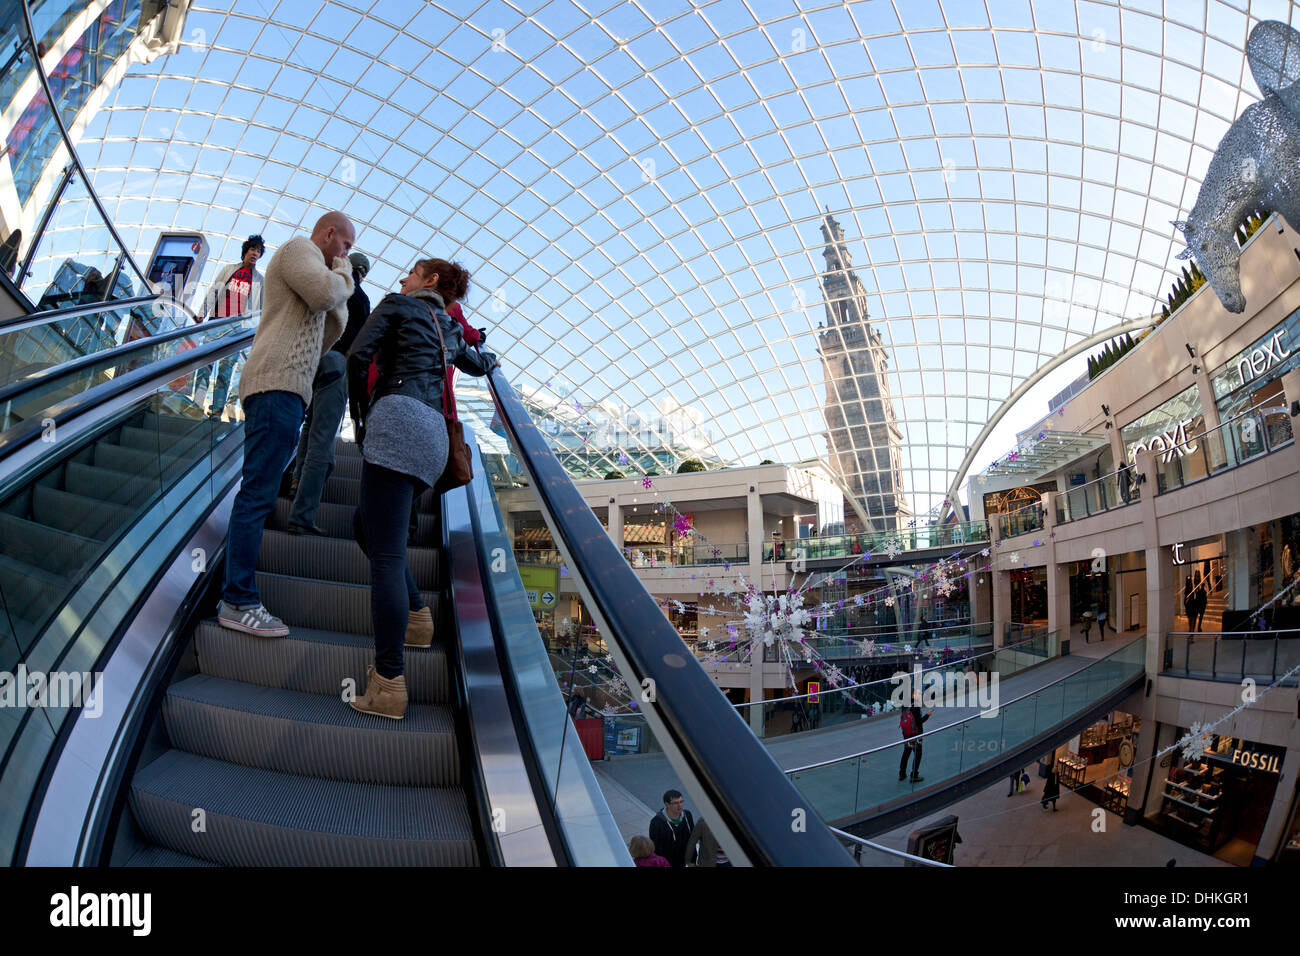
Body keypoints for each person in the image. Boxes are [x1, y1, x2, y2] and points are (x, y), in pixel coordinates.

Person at [344, 258, 495, 718]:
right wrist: (489, 356)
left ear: (429, 281)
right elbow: (478, 362)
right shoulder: (449, 326)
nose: (402, 279)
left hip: (397, 421)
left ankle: (388, 683)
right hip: (434, 437)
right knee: (366, 529)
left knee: (386, 554)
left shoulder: (395, 306)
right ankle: (416, 615)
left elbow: (357, 357)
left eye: (411, 272)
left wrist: (360, 417)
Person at [216, 213, 354, 637]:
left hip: (290, 390)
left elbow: (335, 322)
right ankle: (237, 599)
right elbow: (324, 296)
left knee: (258, 491)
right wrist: (342, 273)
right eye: (345, 246)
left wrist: (336, 287)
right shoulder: (299, 250)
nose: (346, 256)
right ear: (329, 234)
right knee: (257, 494)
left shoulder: (315, 264)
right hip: (276, 384)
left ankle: (237, 595)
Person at [286, 250, 371, 533]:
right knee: (323, 439)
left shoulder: (330, 283)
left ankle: (298, 477)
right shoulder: (360, 297)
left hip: (313, 358)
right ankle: (302, 515)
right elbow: (362, 346)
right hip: (338, 363)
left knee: (309, 424)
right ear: (363, 273)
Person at [197, 235, 266, 419]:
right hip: (216, 321)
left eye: (258, 251)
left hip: (238, 329)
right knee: (205, 364)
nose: (255, 253)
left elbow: (259, 309)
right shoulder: (229, 269)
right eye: (253, 249)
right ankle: (196, 402)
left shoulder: (259, 279)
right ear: (246, 251)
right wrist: (202, 311)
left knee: (226, 372)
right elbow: (214, 290)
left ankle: (215, 411)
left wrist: (255, 333)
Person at [648, 790, 695, 868]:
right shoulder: (656, 823)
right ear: (667, 804)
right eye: (676, 803)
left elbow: (692, 839)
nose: (680, 805)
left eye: (681, 801)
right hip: (667, 863)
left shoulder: (687, 815)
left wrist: (692, 860)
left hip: (684, 861)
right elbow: (655, 848)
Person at [898, 691, 932, 783]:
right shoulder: (916, 706)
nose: (920, 695)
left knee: (907, 751)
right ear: (913, 695)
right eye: (918, 694)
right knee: (918, 753)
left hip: (906, 734)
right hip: (916, 734)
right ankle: (914, 775)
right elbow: (919, 721)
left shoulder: (905, 704)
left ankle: (902, 773)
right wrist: (927, 715)